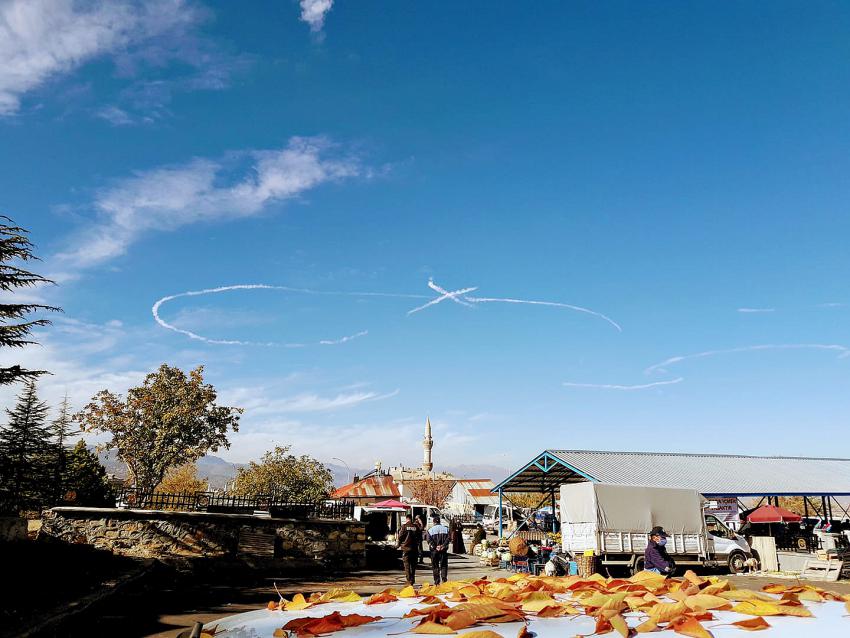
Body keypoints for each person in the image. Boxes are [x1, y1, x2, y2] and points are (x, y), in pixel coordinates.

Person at [397, 514, 422, 585]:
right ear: (412, 519)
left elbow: (400, 537)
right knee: (413, 565)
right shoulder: (416, 526)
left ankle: (409, 579)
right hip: (414, 549)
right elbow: (420, 536)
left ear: (406, 519)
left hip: (406, 548)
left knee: (407, 565)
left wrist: (398, 545)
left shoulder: (404, 526)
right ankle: (413, 579)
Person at [427, 514, 450, 584]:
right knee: (443, 566)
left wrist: (435, 547)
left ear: (434, 522)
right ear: (440, 522)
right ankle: (444, 579)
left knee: (435, 566)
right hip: (443, 551)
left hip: (434, 551)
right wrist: (443, 546)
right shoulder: (446, 529)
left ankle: (437, 581)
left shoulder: (430, 530)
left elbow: (429, 540)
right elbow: (448, 538)